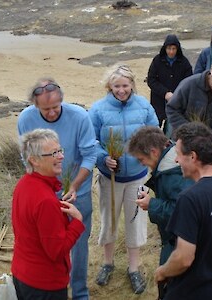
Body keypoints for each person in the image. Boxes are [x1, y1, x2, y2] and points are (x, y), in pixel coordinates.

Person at [17, 78, 97, 300]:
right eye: (46, 109)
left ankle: (80, 293)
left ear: (62, 100)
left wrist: (75, 184)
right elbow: (27, 158)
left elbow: (90, 156)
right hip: (44, 194)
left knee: (78, 242)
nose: (52, 113)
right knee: (50, 245)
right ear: (35, 105)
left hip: (77, 192)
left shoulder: (80, 117)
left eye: (56, 107)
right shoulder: (25, 118)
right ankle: (51, 283)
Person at [154, 122, 212, 300]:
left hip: (192, 290)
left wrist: (162, 271)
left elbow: (183, 258)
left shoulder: (189, 198)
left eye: (179, 154)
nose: (176, 160)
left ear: (193, 157)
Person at [88, 65, 159, 294]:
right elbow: (91, 141)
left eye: (125, 85)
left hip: (137, 177)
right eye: (117, 86)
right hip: (110, 178)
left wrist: (148, 155)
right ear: (110, 86)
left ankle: (134, 268)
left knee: (135, 222)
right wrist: (102, 158)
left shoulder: (144, 106)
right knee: (109, 220)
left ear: (132, 85)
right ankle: (107, 264)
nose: (121, 90)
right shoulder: (98, 110)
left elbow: (155, 133)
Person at [11, 128, 85, 300]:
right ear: (34, 160)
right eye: (53, 153)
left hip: (22, 274)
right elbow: (57, 251)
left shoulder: (24, 184)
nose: (61, 156)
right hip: (44, 284)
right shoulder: (45, 200)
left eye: (60, 150)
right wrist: (77, 221)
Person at [128, 126, 194, 300]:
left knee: (169, 287)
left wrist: (152, 204)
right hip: (178, 243)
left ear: (154, 151)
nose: (141, 164)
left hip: (178, 245)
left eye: (141, 159)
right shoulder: (173, 161)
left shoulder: (172, 175)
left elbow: (182, 212)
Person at [166, 54, 212, 165]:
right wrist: (188, 132)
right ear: (211, 68)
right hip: (183, 136)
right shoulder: (189, 84)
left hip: (209, 139)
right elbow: (172, 108)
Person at [147, 34, 192, 136]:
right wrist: (165, 93)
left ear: (177, 49)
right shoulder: (157, 61)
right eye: (168, 48)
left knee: (172, 132)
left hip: (177, 102)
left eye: (173, 48)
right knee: (154, 130)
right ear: (165, 48)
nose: (171, 51)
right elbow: (151, 80)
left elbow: (188, 82)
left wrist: (177, 95)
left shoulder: (184, 63)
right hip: (158, 101)